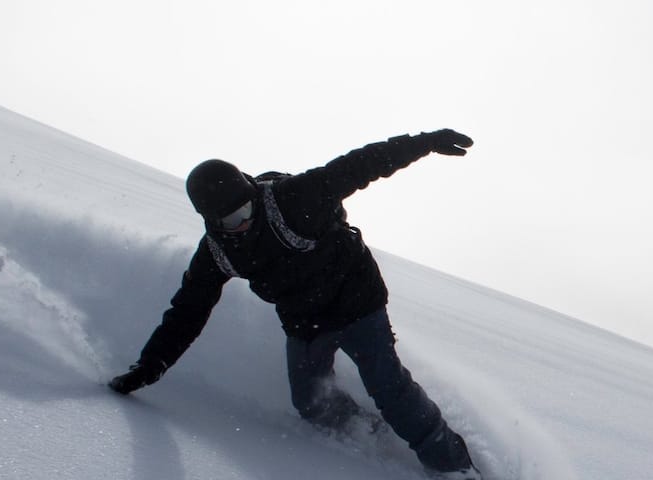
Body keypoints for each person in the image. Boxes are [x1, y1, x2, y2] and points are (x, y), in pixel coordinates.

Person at [108, 129, 481, 480]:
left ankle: (455, 467)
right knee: (311, 402)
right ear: (212, 222)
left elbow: (364, 162)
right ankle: (372, 433)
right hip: (305, 321)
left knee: (387, 386)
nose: (245, 220)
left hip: (357, 301)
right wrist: (151, 365)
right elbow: (187, 312)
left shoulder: (295, 197)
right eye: (233, 219)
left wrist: (427, 142)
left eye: (248, 208)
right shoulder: (216, 254)